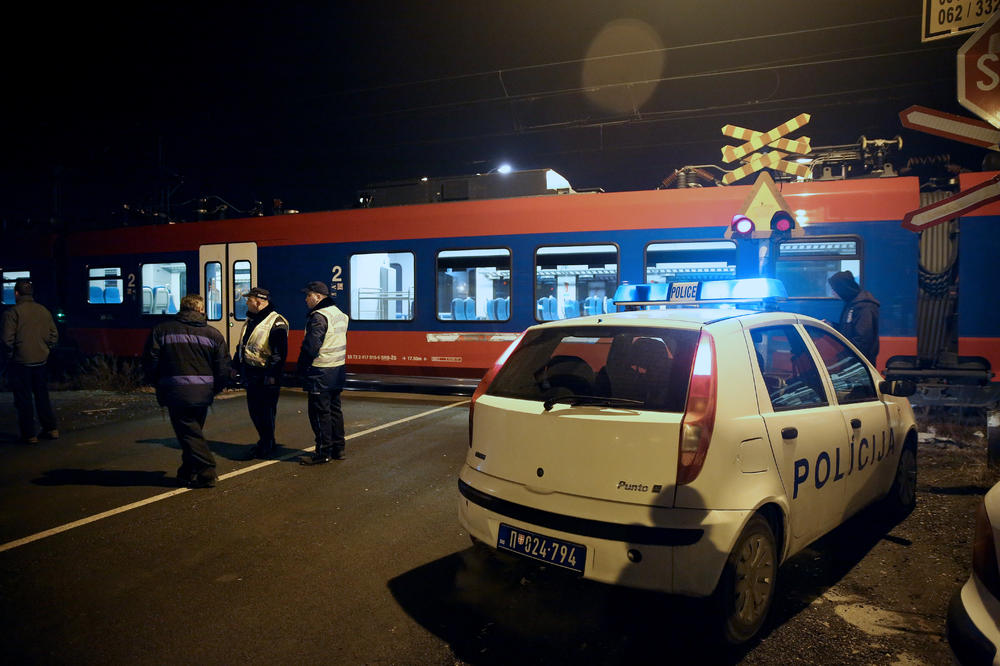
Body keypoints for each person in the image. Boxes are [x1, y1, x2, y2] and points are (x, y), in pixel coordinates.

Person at [143, 293, 231, 488]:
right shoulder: (213, 334)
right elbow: (223, 367)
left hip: (175, 391)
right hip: (203, 393)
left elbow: (151, 361)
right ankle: (187, 471)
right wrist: (214, 388)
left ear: (182, 308)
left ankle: (207, 470)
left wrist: (157, 383)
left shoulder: (162, 330)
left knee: (188, 433)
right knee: (192, 431)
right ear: (200, 310)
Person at [297, 281, 349, 466]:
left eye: (308, 295)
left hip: (320, 371)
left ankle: (323, 452)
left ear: (318, 297)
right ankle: (338, 448)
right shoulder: (340, 315)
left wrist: (301, 368)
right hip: (337, 370)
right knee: (335, 410)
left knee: (319, 413)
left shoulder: (319, 317)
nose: (306, 299)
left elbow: (311, 347)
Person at [2, 278, 59, 444]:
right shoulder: (43, 310)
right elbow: (54, 335)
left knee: (23, 399)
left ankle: (29, 434)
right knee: (42, 396)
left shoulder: (12, 313)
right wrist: (46, 349)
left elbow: (6, 340)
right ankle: (51, 429)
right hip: (41, 361)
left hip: (20, 363)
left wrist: (10, 355)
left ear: (16, 293)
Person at [234, 286, 288, 459]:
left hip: (266, 375)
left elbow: (279, 354)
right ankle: (266, 441)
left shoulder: (277, 322)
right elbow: (243, 346)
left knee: (265, 412)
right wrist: (234, 367)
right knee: (256, 411)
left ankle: (266, 444)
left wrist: (271, 375)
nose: (246, 302)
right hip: (252, 373)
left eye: (248, 300)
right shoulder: (251, 320)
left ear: (258, 302)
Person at [828, 270, 880, 365]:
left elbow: (863, 340)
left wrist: (842, 354)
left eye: (834, 290)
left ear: (843, 288)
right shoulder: (851, 304)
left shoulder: (865, 307)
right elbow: (848, 330)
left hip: (860, 364)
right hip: (853, 361)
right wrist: (832, 326)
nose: (833, 293)